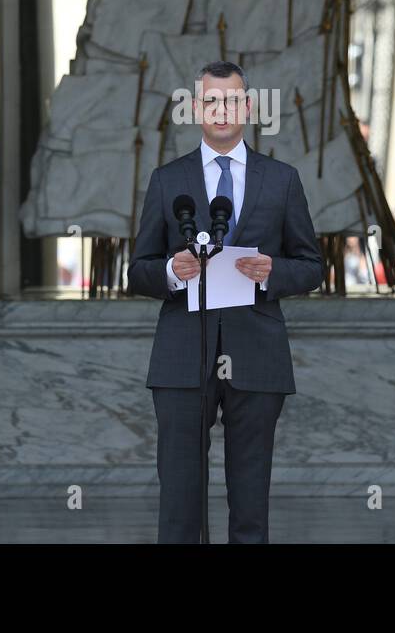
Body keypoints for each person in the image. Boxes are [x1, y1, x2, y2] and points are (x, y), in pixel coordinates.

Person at [128, 60, 323, 543]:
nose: (221, 110)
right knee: (178, 499)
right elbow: (138, 270)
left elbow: (313, 266)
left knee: (251, 497)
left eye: (231, 100)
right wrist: (173, 271)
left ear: (249, 107)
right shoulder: (167, 180)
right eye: (211, 101)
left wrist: (273, 271)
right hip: (182, 354)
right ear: (196, 109)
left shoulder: (281, 180)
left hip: (256, 353)